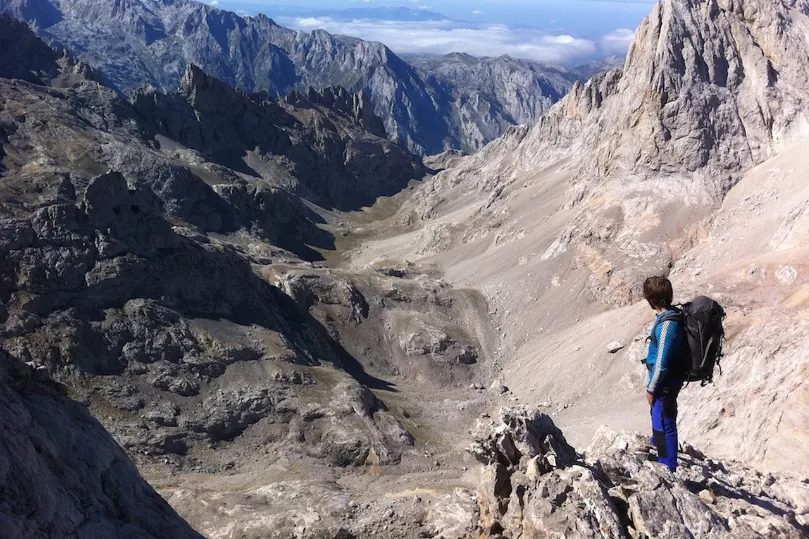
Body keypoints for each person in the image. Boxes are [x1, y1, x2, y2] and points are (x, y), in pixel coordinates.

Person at [643, 276, 685, 472]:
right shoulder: (671, 316)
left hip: (665, 382)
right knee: (658, 417)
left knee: (664, 422)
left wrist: (651, 388)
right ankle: (660, 452)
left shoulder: (667, 324)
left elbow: (661, 363)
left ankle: (667, 467)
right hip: (668, 380)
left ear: (652, 299)